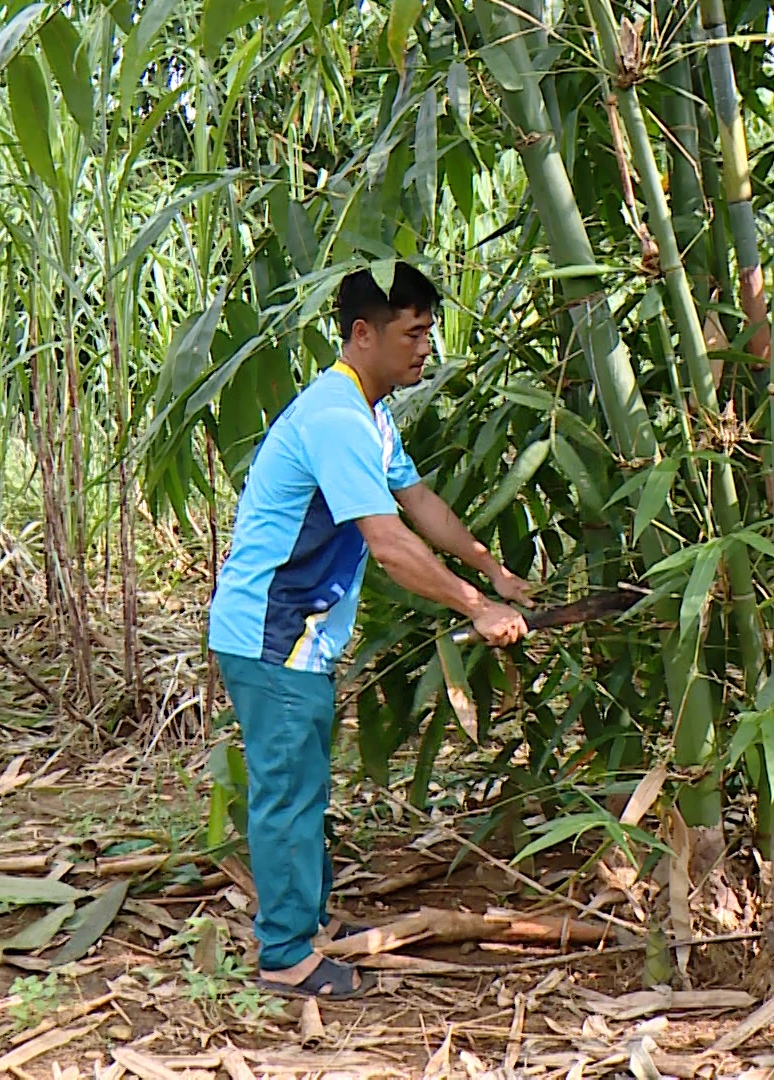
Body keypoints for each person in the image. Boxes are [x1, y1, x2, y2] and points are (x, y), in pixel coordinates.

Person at [206, 262, 533, 998]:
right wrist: (474, 607)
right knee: (287, 791)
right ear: (363, 333)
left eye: (429, 333)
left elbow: (418, 502)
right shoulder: (337, 420)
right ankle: (286, 955)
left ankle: (308, 924)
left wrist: (493, 572)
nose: (425, 349)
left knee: (302, 784)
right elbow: (387, 542)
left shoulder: (369, 414)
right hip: (272, 633)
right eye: (413, 334)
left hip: (295, 635)